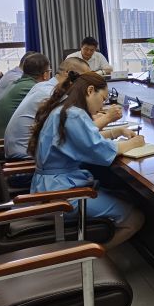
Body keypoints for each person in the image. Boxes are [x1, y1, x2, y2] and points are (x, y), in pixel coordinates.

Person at [28, 72, 145, 249]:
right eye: (103, 98)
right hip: (60, 194)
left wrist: (116, 132)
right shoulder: (74, 114)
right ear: (90, 91)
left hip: (49, 187)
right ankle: (91, 256)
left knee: (125, 196)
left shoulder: (63, 108)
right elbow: (102, 151)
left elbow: (83, 139)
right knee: (135, 218)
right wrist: (134, 143)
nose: (102, 105)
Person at [4, 57, 123, 160]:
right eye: (82, 78)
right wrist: (107, 118)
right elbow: (81, 135)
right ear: (68, 73)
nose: (84, 83)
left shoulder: (44, 86)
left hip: (23, 150)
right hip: (26, 158)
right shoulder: (50, 94)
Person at [0, 53, 51, 138]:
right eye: (49, 71)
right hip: (2, 140)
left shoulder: (19, 83)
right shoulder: (32, 88)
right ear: (45, 75)